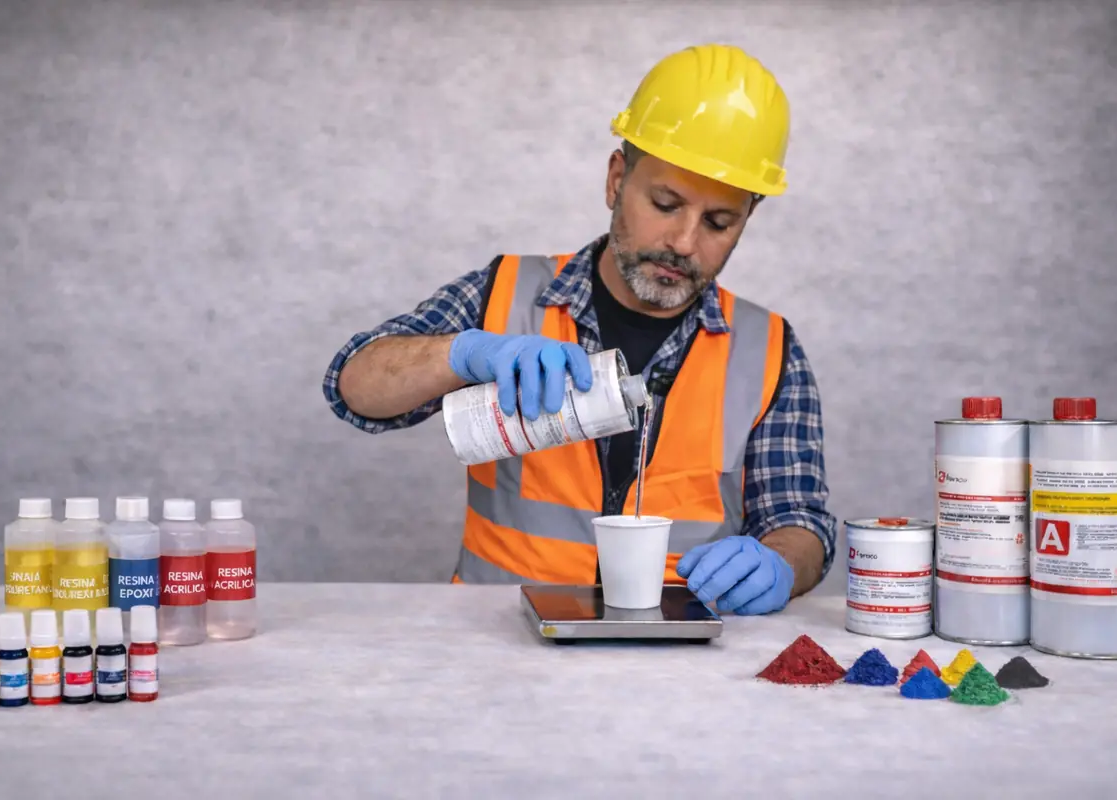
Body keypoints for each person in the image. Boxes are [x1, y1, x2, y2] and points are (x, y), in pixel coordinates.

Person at [324, 44, 837, 615]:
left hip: (681, 660)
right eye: (665, 204)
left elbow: (800, 521)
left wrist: (782, 565)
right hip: (496, 651)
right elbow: (355, 389)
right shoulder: (506, 293)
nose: (685, 243)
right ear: (617, 180)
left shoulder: (767, 348)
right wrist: (461, 354)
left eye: (719, 222)